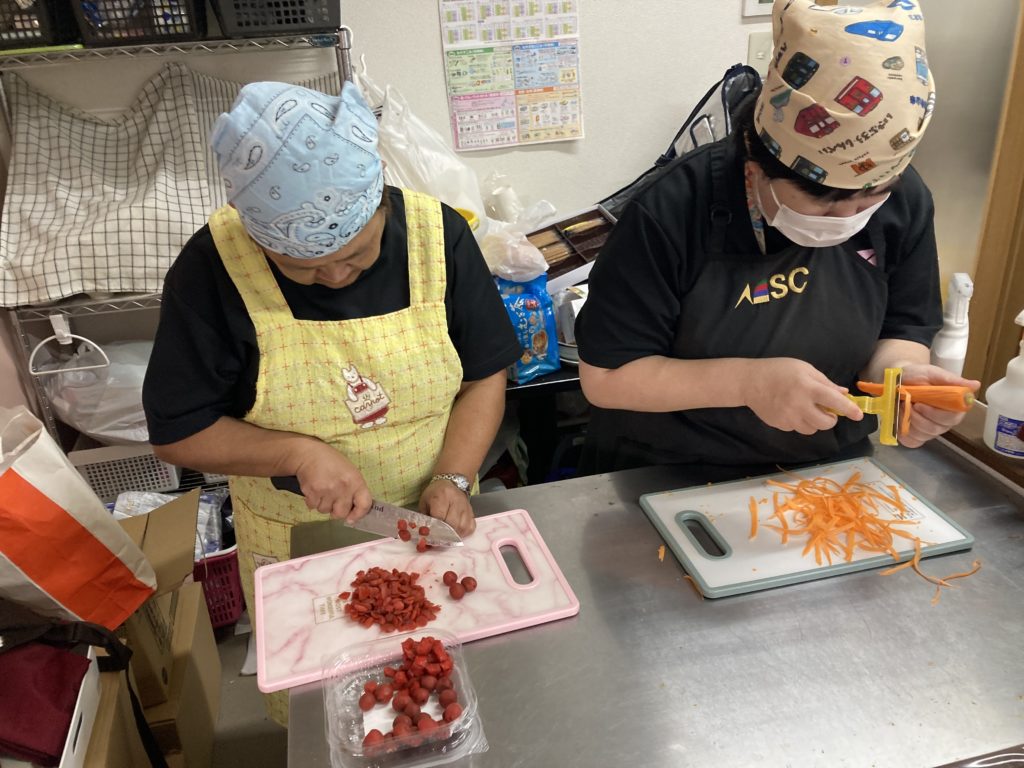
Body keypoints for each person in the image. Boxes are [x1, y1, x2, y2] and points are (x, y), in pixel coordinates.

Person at [142, 81, 521, 725]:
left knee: (446, 696)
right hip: (296, 540)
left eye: (357, 255)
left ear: (378, 202)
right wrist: (295, 453)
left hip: (434, 522)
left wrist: (455, 475)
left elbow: (484, 375)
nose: (337, 276)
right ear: (259, 239)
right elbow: (178, 429)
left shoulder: (438, 238)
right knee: (332, 723)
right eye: (306, 268)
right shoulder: (213, 267)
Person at [575, 0, 979, 481]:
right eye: (823, 202)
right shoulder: (672, 209)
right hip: (669, 472)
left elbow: (903, 329)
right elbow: (607, 377)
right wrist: (748, 382)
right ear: (756, 166)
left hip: (827, 470)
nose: (848, 218)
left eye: (870, 198)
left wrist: (902, 381)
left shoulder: (905, 199)